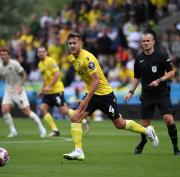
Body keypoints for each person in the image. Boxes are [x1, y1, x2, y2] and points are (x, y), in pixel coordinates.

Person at [63, 32, 159, 161]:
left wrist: (86, 98)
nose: (72, 46)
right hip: (92, 95)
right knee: (75, 118)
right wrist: (87, 96)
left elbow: (96, 81)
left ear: (81, 44)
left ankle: (147, 131)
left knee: (119, 124)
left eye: (75, 43)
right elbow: (88, 79)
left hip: (105, 95)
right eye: (70, 43)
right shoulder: (71, 59)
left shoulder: (87, 58)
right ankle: (78, 151)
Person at [124, 33, 180, 156]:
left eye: (148, 41)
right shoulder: (139, 58)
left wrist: (159, 80)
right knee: (144, 124)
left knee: (168, 119)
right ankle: (143, 142)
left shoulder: (161, 56)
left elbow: (171, 73)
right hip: (147, 95)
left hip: (162, 93)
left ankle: (176, 148)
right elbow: (137, 78)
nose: (145, 43)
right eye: (143, 41)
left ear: (153, 42)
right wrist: (131, 92)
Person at [37, 47, 89, 137]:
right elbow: (45, 79)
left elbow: (57, 74)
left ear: (46, 52)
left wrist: (49, 86)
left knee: (63, 110)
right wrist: (42, 90)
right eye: (39, 52)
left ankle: (82, 119)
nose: (41, 53)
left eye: (43, 51)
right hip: (48, 92)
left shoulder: (51, 61)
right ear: (38, 54)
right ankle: (55, 129)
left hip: (56, 90)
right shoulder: (40, 64)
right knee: (42, 108)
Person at [0, 48, 46, 138]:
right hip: (8, 91)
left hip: (18, 90)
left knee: (26, 111)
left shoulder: (14, 64)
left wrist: (21, 86)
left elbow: (24, 74)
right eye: (1, 55)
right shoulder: (0, 66)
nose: (3, 56)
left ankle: (41, 128)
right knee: (4, 109)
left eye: (5, 54)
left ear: (8, 55)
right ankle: (13, 131)